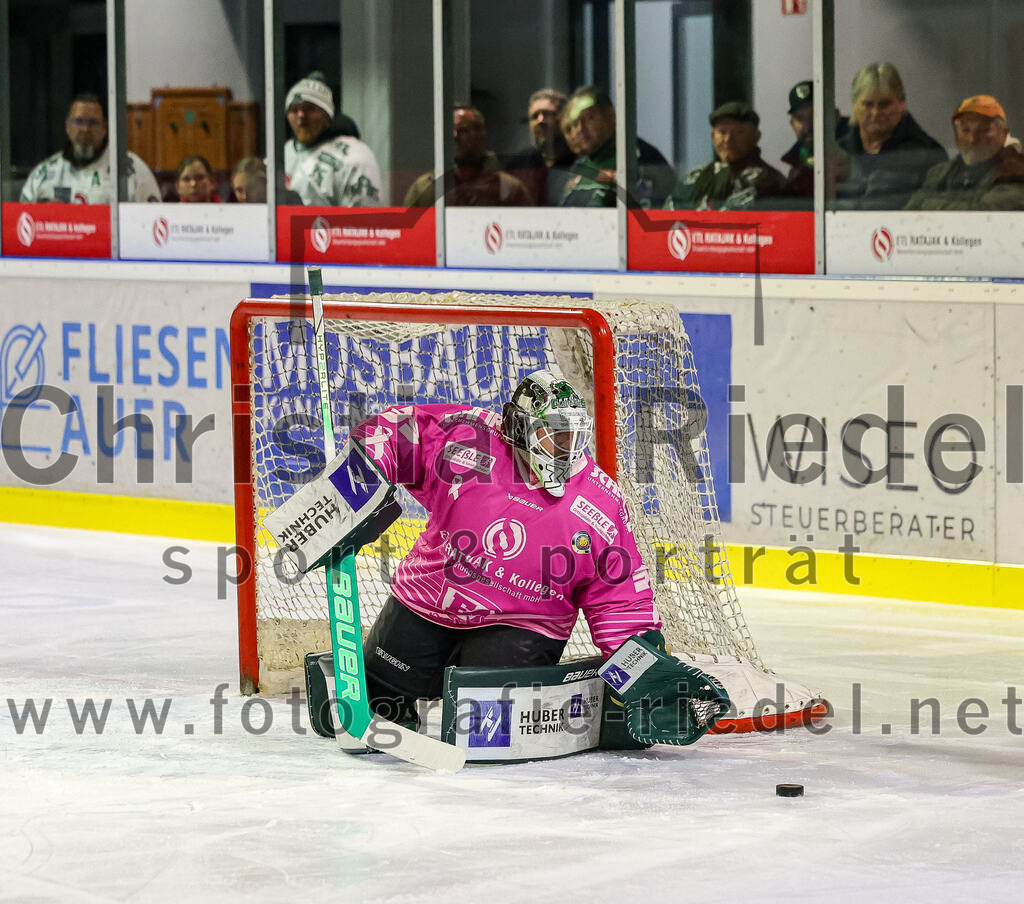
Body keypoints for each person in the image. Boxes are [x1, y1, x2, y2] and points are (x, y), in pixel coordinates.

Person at [834, 62, 946, 209]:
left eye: (884, 105)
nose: (875, 113)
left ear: (902, 104)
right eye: (868, 104)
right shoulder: (837, 153)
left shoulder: (927, 155)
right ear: (854, 104)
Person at [20, 93, 160, 204]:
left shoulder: (130, 169)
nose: (85, 129)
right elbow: (22, 221)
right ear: (67, 126)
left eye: (93, 122)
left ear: (104, 127)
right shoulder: (44, 173)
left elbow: (152, 218)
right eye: (79, 121)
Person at [559, 86, 675, 208]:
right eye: (572, 125)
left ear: (611, 115)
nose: (579, 129)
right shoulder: (580, 166)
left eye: (589, 118)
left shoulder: (634, 156)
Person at [283, 71, 386, 206]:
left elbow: (367, 219)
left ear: (327, 114)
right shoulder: (282, 153)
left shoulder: (355, 157)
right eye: (294, 109)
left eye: (310, 109)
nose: (301, 115)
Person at [905, 95, 1024, 210]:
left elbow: (983, 213)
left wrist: (928, 204)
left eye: (985, 130)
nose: (973, 139)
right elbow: (907, 214)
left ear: (1003, 133)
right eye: (965, 130)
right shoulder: (938, 173)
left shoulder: (1015, 171)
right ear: (956, 135)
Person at [665, 101, 787, 210]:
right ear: (713, 136)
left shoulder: (770, 181)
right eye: (722, 132)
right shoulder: (694, 179)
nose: (728, 139)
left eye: (739, 132)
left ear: (756, 136)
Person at [403, 105, 532, 207]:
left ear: (480, 134)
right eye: (450, 130)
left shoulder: (508, 189)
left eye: (462, 130)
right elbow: (406, 233)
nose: (455, 136)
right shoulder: (425, 188)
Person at [503, 88, 576, 206]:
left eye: (547, 114)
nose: (540, 121)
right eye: (534, 116)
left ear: (564, 119)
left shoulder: (580, 160)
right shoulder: (518, 164)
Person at [781, 80, 815, 199]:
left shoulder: (849, 157)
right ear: (792, 124)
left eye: (815, 116)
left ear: (834, 117)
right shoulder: (794, 166)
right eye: (800, 118)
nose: (807, 127)